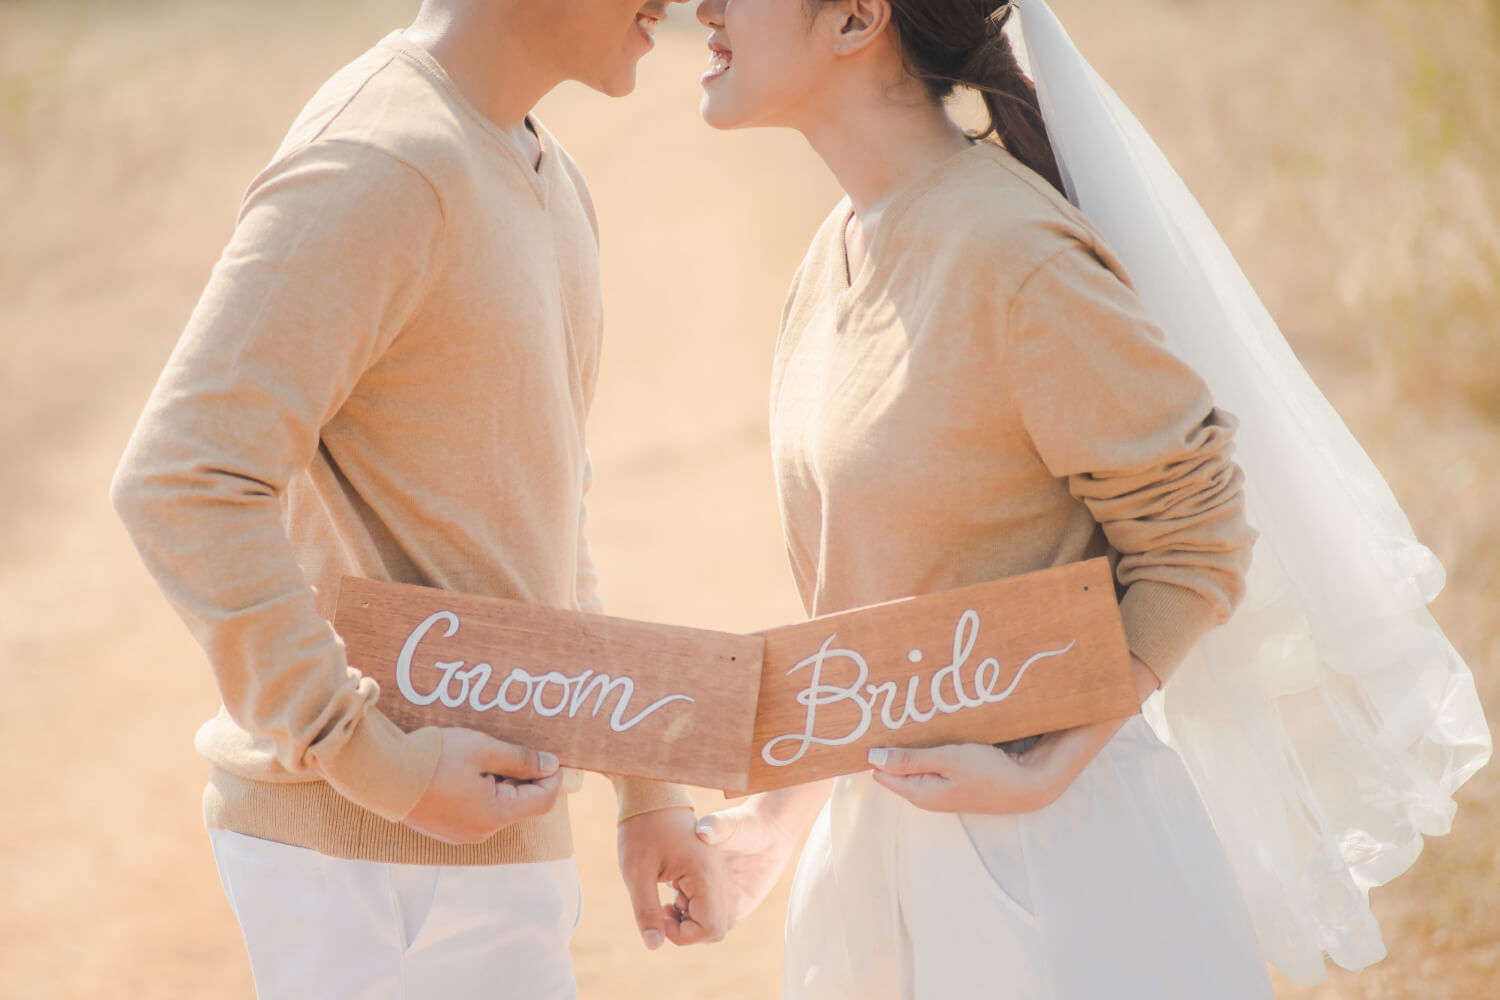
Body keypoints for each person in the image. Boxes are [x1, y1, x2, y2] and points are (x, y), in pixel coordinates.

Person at [109, 1, 729, 996]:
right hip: (361, 870)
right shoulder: (381, 158)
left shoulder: (552, 178)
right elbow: (183, 475)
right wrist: (372, 759)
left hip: (495, 855)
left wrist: (644, 783)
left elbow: (547, 517)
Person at [686, 0, 1275, 996]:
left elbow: (1198, 537)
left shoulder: (1013, 255)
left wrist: (1047, 770)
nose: (703, 6)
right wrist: (776, 819)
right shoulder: (839, 245)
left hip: (1056, 876)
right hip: (887, 858)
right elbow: (878, 609)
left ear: (855, 19)